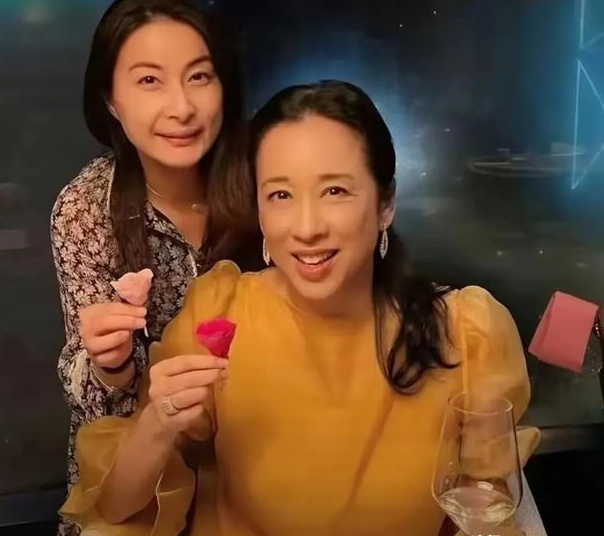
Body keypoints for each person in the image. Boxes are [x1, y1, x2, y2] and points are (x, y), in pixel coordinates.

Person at [61, 80, 534, 536]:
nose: (306, 228)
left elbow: (486, 509)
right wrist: (156, 424)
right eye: (281, 195)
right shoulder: (221, 316)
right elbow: (118, 507)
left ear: (385, 204)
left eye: (335, 191)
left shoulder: (466, 333)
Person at [51, 0, 255, 535]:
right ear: (110, 101)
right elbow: (94, 408)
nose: (181, 108)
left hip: (256, 447)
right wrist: (110, 364)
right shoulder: (86, 208)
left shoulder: (268, 182)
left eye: (199, 76)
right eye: (149, 81)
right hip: (139, 465)